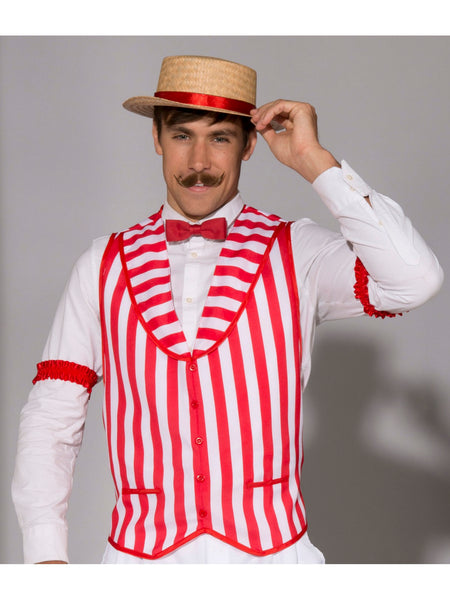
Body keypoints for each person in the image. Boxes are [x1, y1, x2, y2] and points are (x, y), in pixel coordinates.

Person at [12, 55, 443, 564]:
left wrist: (313, 160)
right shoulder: (102, 264)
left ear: (249, 144)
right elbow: (52, 414)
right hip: (140, 563)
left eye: (219, 137)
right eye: (182, 135)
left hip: (274, 562)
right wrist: (45, 557)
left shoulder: (296, 252)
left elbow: (414, 280)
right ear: (156, 138)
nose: (199, 161)